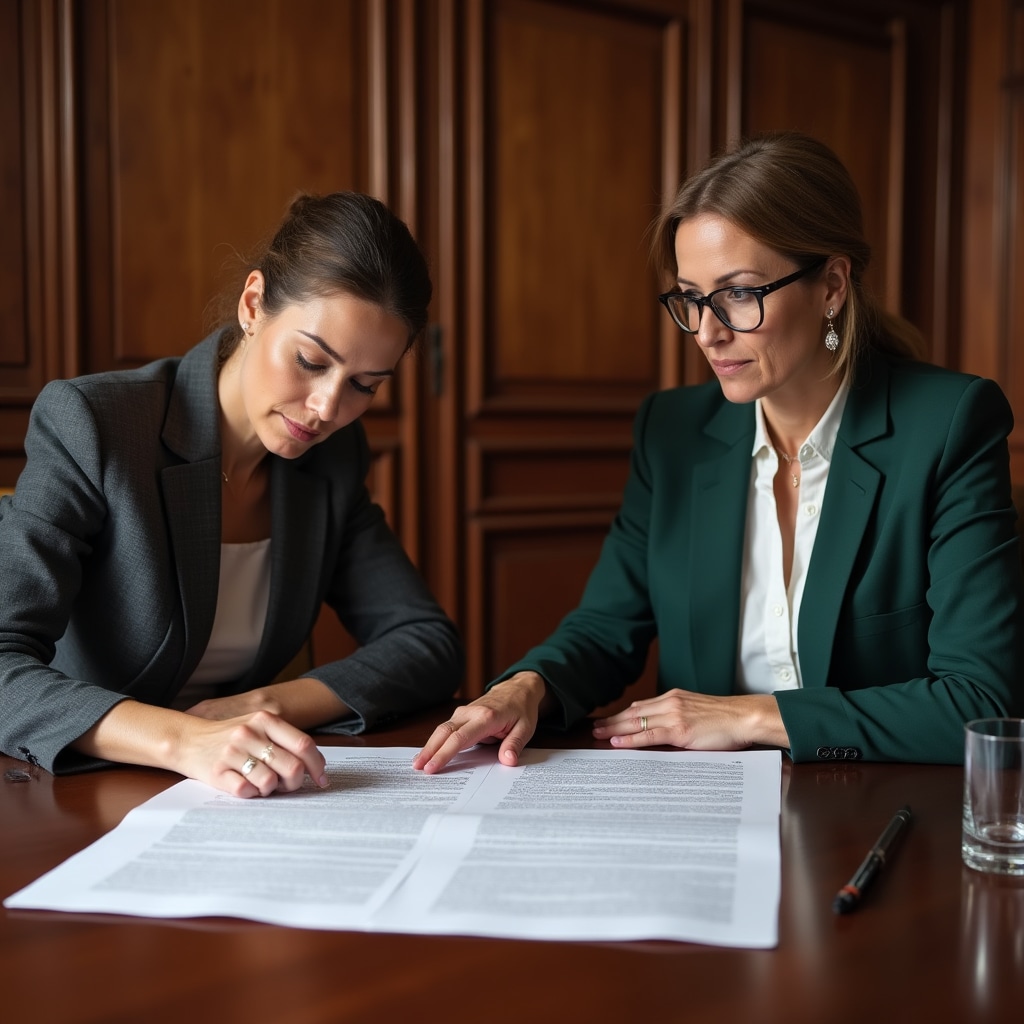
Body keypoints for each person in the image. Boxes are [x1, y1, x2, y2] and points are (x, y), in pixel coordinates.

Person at [414, 131, 1024, 773]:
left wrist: (750, 716)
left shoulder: (948, 425)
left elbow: (978, 702)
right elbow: (605, 627)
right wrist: (526, 687)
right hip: (707, 798)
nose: (707, 332)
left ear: (832, 285)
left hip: (876, 803)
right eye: (691, 298)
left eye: (739, 293)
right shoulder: (672, 432)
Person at [0, 191, 463, 796]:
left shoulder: (331, 459)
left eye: (364, 385)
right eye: (310, 360)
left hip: (241, 791)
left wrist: (263, 706)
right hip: (80, 792)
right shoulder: (97, 424)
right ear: (253, 304)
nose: (327, 407)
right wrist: (184, 739)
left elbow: (427, 642)